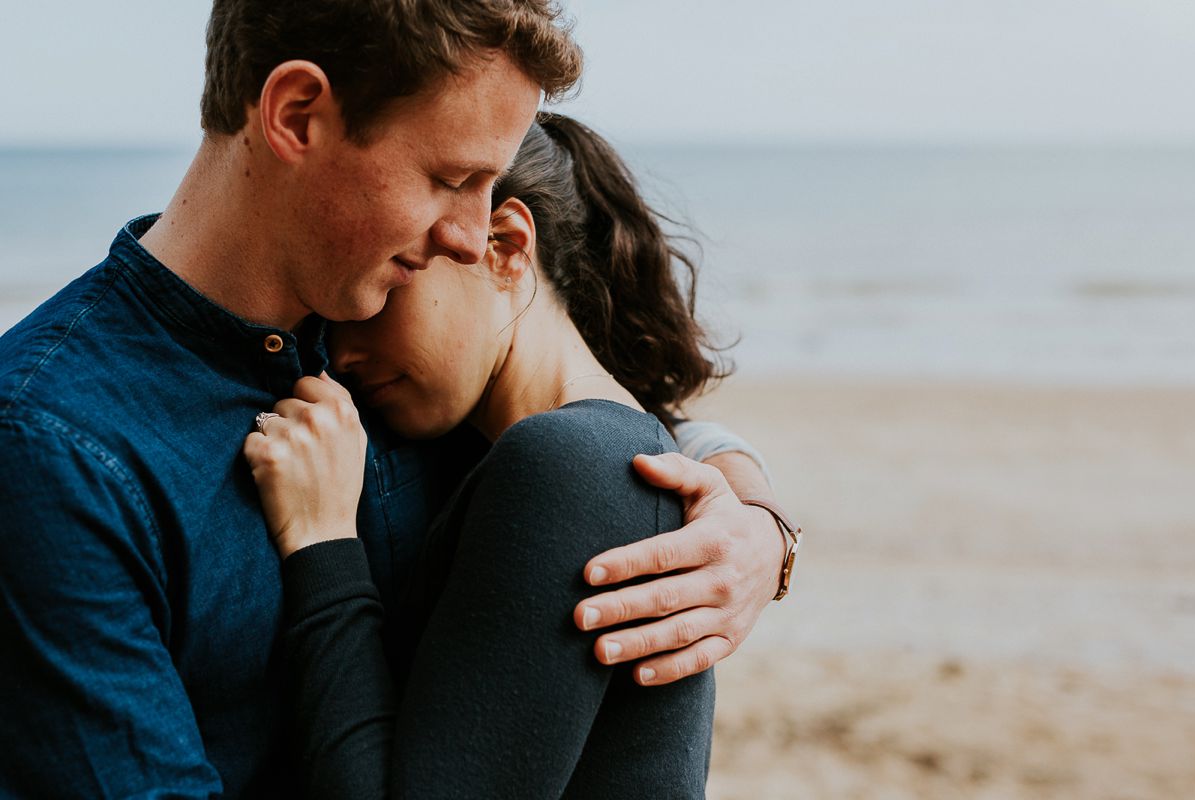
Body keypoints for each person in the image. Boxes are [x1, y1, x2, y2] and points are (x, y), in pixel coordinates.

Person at [0, 2, 793, 797]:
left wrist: (754, 520)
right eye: (450, 180)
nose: (466, 234)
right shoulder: (53, 451)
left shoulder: (391, 336)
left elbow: (578, 418)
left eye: (487, 183)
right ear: (296, 116)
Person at [245, 113, 737, 798]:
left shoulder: (569, 465)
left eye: (383, 287)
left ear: (504, 245)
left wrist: (320, 543)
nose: (341, 354)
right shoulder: (601, 446)